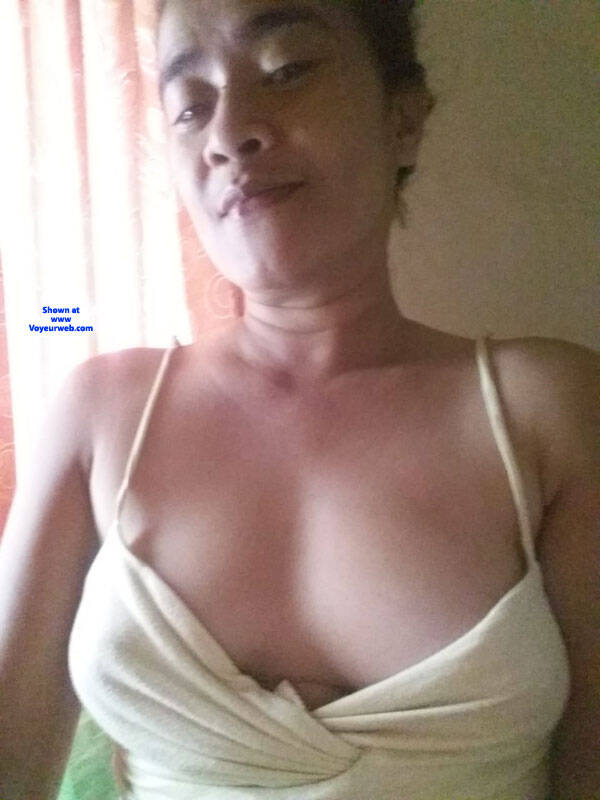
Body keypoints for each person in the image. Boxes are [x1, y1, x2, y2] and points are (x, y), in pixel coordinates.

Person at [0, 1, 598, 798]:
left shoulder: (548, 410)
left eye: (287, 70)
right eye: (190, 106)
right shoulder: (98, 414)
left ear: (403, 120)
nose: (229, 132)